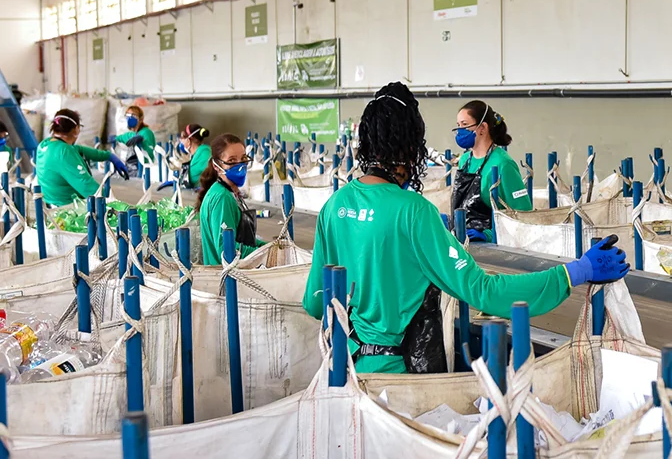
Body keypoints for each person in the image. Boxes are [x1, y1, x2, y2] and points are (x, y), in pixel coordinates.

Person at [301, 83, 629, 375]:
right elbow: (483, 291)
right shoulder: (413, 212)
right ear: (408, 146)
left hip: (343, 370)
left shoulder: (335, 206)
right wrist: (574, 272)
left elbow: (315, 303)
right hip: (396, 380)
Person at [447, 100, 532, 243]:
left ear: (482, 128)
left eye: (465, 125)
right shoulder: (465, 160)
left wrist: (490, 235)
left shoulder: (503, 164)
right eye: (458, 125)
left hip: (493, 247)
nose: (460, 130)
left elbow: (524, 215)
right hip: (463, 241)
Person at [197, 133, 266, 266]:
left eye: (243, 158)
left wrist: (267, 247)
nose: (240, 165)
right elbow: (226, 250)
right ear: (217, 166)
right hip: (228, 278)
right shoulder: (222, 198)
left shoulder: (231, 193)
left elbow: (245, 239)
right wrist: (264, 255)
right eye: (232, 161)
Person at [35, 109, 127, 207]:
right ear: (76, 129)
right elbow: (86, 185)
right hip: (67, 209)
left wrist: (108, 156)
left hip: (49, 204)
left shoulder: (46, 144)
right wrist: (113, 203)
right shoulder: (64, 152)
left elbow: (79, 149)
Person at [159, 124, 211, 190]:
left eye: (182, 138)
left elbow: (193, 178)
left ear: (188, 141)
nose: (181, 141)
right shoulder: (200, 153)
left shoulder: (204, 155)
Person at [116, 106, 156, 176]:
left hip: (143, 170)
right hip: (131, 168)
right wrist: (114, 139)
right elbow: (122, 137)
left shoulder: (146, 132)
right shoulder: (131, 134)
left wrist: (142, 142)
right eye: (127, 115)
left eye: (133, 115)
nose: (130, 118)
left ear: (141, 119)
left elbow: (149, 152)